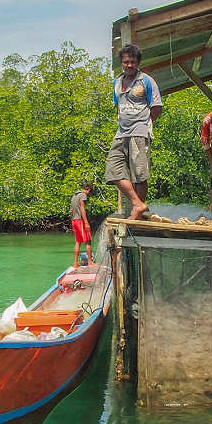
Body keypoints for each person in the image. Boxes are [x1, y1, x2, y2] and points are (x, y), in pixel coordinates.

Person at [105, 44, 163, 220]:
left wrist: (145, 125)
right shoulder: (117, 82)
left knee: (139, 175)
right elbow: (118, 107)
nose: (129, 65)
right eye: (126, 62)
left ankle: (137, 213)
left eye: (132, 62)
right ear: (121, 63)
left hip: (139, 132)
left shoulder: (146, 80)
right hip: (121, 133)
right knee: (113, 169)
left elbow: (157, 107)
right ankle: (138, 204)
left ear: (138, 63)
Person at [70, 183, 95, 269]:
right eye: (90, 192)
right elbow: (82, 208)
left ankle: (75, 263)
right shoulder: (83, 195)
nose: (89, 194)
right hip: (80, 221)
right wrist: (86, 222)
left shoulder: (74, 196)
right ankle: (90, 262)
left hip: (74, 220)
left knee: (78, 242)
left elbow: (71, 211)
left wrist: (73, 220)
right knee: (88, 241)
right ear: (88, 190)